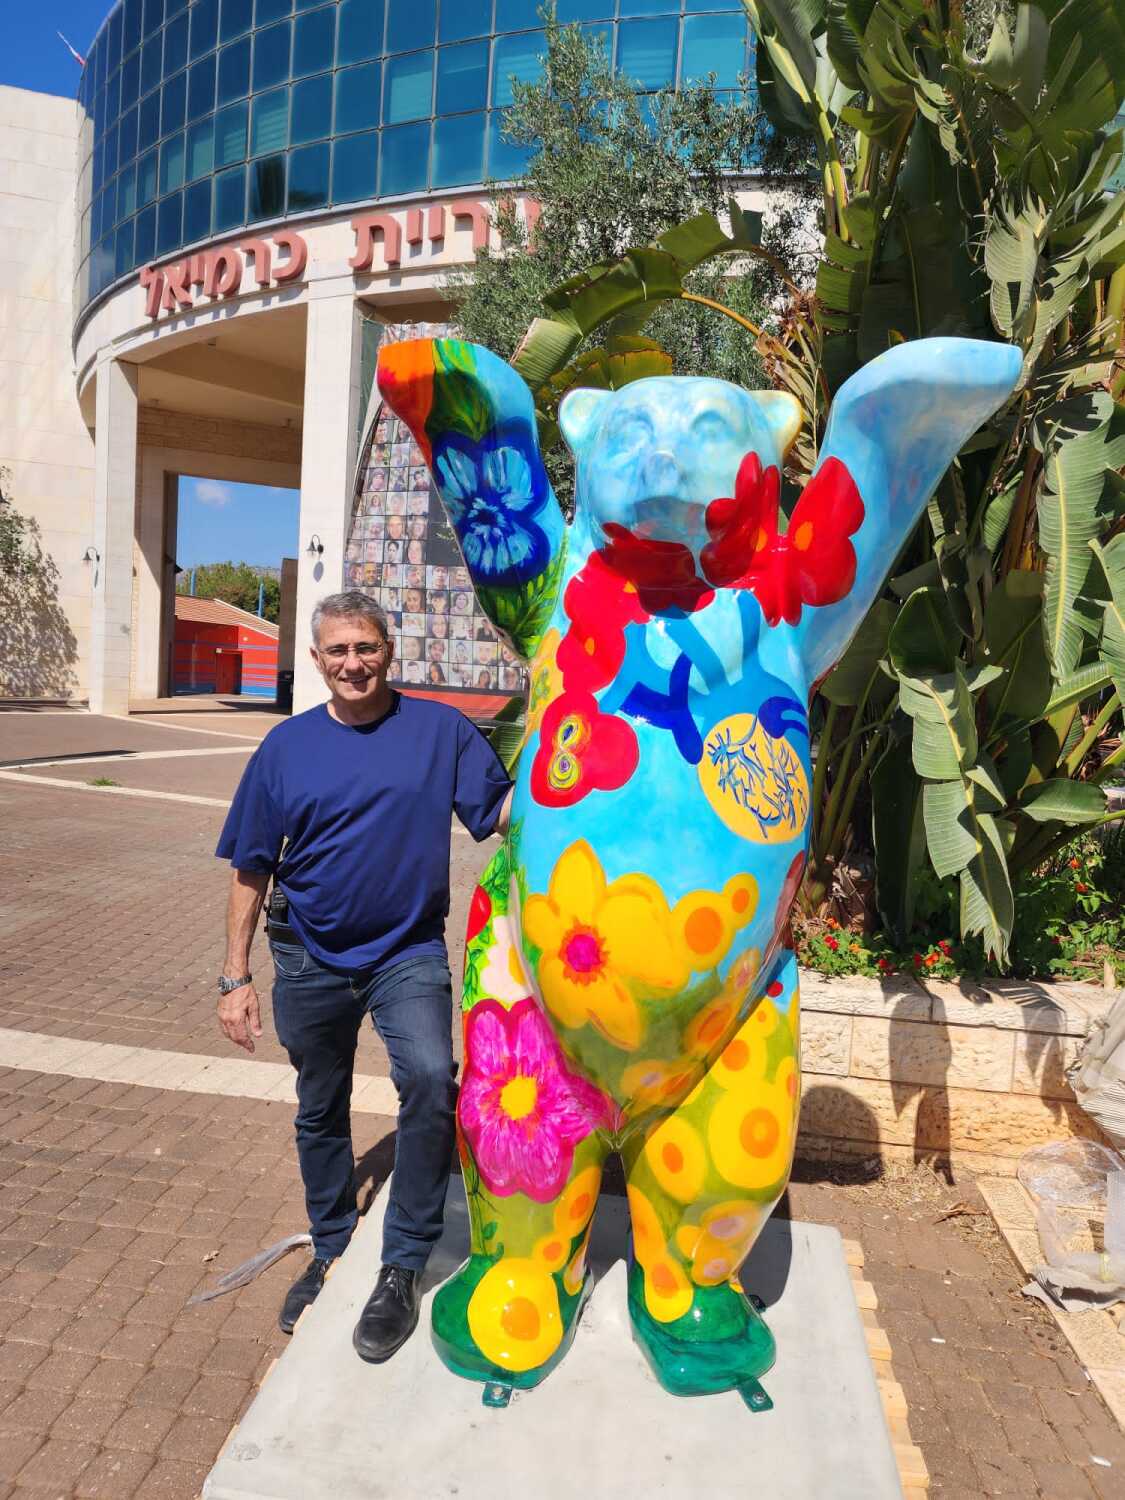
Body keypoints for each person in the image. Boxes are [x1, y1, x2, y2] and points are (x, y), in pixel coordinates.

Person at [215, 591, 511, 1363]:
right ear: (316, 661)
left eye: (366, 647)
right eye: (338, 651)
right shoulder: (284, 747)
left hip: (405, 952)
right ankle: (331, 1245)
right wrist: (233, 977)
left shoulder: (439, 732)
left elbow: (508, 812)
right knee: (320, 1106)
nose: (353, 663)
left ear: (389, 650)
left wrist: (596, 780)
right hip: (307, 957)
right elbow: (250, 865)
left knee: (429, 1081)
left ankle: (402, 1263)